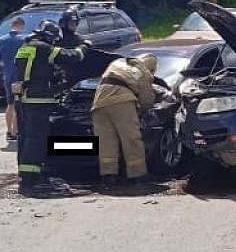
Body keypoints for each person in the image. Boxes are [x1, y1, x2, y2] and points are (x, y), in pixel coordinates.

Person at [14, 21, 87, 196]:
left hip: (22, 99)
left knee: (25, 137)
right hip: (37, 100)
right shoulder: (43, 48)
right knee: (36, 139)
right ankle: (32, 180)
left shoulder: (25, 47)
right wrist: (84, 47)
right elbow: (70, 57)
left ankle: (26, 175)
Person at [91, 53, 157, 187]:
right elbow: (146, 99)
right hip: (122, 102)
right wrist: (145, 108)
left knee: (106, 141)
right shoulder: (143, 71)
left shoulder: (118, 63)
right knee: (131, 139)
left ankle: (108, 177)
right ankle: (138, 175)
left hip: (98, 103)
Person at [1, 16, 25, 142]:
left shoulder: (2, 40)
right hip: (19, 77)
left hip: (7, 75)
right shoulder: (23, 40)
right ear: (21, 26)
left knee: (9, 104)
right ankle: (16, 132)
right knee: (18, 104)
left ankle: (9, 131)